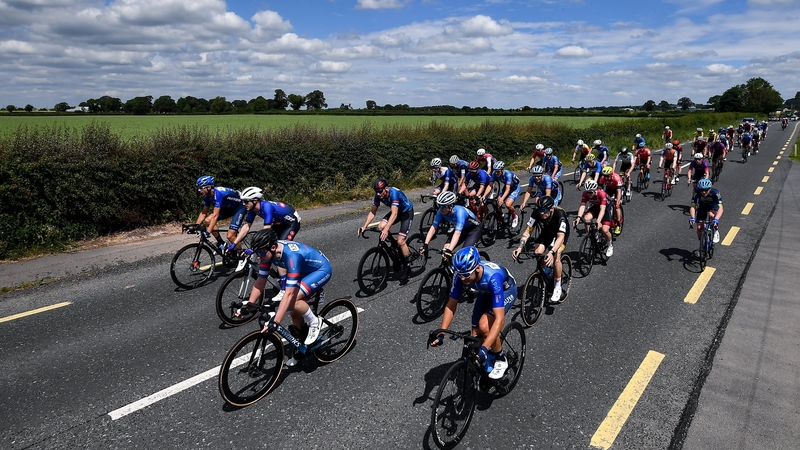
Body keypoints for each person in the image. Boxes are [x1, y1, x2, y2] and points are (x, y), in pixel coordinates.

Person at [236, 229, 332, 364]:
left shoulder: (291, 256)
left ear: (273, 247)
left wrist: (276, 321)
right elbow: (260, 282)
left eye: (261, 253)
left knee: (293, 301)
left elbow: (289, 294)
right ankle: (302, 346)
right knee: (294, 313)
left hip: (320, 270)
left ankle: (315, 322)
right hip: (303, 271)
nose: (259, 256)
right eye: (257, 253)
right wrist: (250, 305)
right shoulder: (268, 253)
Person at [429, 246, 516, 380]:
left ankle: (500, 358)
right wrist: (441, 333)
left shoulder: (493, 278)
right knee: (475, 337)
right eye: (460, 275)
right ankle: (485, 369)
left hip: (505, 290)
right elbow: (451, 305)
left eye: (466, 275)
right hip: (485, 291)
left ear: (477, 268)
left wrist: (485, 348)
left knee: (484, 326)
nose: (463, 279)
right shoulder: (461, 275)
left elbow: (500, 320)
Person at [227, 186, 301, 300]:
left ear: (255, 200)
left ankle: (284, 288)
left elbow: (266, 232)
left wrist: (254, 248)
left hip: (290, 224)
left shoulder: (267, 207)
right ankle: (281, 274)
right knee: (268, 249)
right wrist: (234, 243)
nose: (244, 204)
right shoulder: (252, 209)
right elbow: (246, 226)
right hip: (278, 223)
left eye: (246, 201)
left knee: (277, 251)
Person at [512, 196, 569, 303]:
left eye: (545, 211)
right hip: (547, 232)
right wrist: (519, 248)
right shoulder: (536, 213)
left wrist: (551, 252)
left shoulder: (560, 215)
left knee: (556, 256)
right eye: (540, 210)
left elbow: (561, 237)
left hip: (560, 234)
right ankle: (548, 275)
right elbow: (527, 232)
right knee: (538, 253)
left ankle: (557, 286)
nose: (542, 213)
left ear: (551, 208)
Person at [358, 178, 415, 280]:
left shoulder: (394, 193)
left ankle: (407, 266)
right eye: (376, 192)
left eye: (380, 191)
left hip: (406, 213)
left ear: (386, 188)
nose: (378, 194)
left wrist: (386, 229)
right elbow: (372, 212)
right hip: (396, 212)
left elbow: (394, 214)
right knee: (381, 226)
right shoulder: (378, 196)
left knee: (401, 240)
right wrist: (364, 226)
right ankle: (394, 245)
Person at [420, 191, 482, 258]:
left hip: (474, 230)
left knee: (464, 255)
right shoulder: (440, 212)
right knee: (445, 249)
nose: (441, 209)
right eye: (439, 205)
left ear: (451, 206)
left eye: (444, 206)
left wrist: (449, 251)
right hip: (462, 229)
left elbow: (457, 234)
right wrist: (425, 244)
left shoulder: (460, 212)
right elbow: (433, 228)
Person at [193, 175, 247, 251]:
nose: (199, 190)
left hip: (240, 207)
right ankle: (221, 243)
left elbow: (215, 216)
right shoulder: (207, 196)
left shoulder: (218, 194)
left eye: (201, 188)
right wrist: (195, 226)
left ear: (208, 187)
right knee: (208, 220)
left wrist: (208, 232)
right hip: (229, 208)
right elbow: (203, 213)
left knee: (230, 236)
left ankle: (242, 256)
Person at [572, 179, 614, 257]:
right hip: (595, 207)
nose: (588, 194)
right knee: (586, 219)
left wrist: (598, 221)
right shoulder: (585, 194)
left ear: (595, 190)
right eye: (587, 192)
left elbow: (602, 210)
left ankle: (610, 245)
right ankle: (591, 237)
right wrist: (578, 218)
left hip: (606, 208)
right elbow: (582, 206)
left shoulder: (601, 194)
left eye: (590, 192)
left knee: (605, 230)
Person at [689, 179, 723, 244]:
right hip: (702, 207)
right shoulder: (696, 192)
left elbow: (720, 208)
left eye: (706, 190)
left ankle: (716, 230)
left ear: (710, 189)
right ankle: (701, 244)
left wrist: (716, 219)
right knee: (699, 228)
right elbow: (693, 206)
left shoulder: (716, 193)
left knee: (712, 215)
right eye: (702, 190)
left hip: (712, 206)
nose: (704, 192)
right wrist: (692, 217)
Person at [490, 161, 521, 228]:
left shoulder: (508, 175)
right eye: (495, 171)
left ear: (502, 170)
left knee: (508, 204)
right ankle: (502, 217)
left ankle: (515, 216)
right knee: (497, 204)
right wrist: (484, 196)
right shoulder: (494, 174)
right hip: (507, 186)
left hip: (515, 187)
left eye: (498, 171)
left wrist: (502, 198)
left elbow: (508, 189)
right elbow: (490, 186)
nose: (496, 173)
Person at [598, 165, 624, 235]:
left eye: (608, 176)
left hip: (617, 189)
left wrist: (617, 200)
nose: (606, 177)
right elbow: (599, 189)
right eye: (605, 176)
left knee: (616, 206)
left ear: (611, 174)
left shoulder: (616, 178)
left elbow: (619, 191)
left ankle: (618, 225)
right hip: (609, 189)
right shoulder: (603, 178)